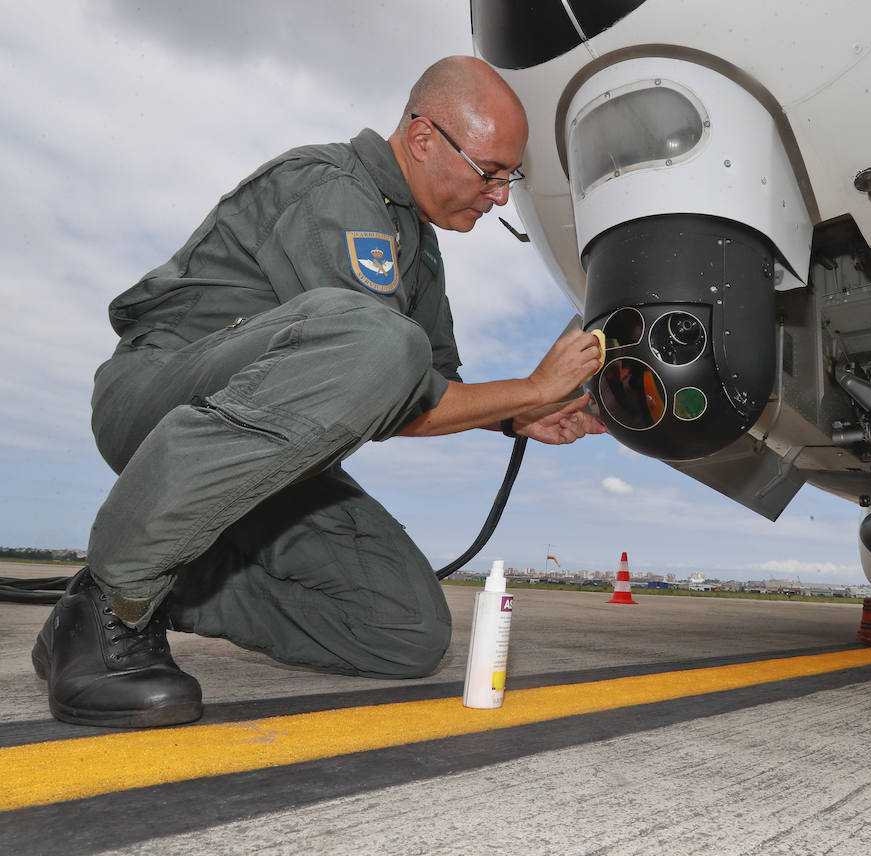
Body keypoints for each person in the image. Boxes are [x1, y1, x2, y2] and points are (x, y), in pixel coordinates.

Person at [31, 56, 605, 729]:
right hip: (156, 399)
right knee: (386, 342)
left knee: (406, 628)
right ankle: (113, 606)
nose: (502, 195)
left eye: (512, 177)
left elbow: (424, 393)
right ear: (423, 139)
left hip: (263, 459)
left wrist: (520, 416)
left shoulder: (417, 252)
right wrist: (531, 386)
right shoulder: (333, 190)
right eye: (491, 173)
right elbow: (389, 371)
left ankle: (161, 581)